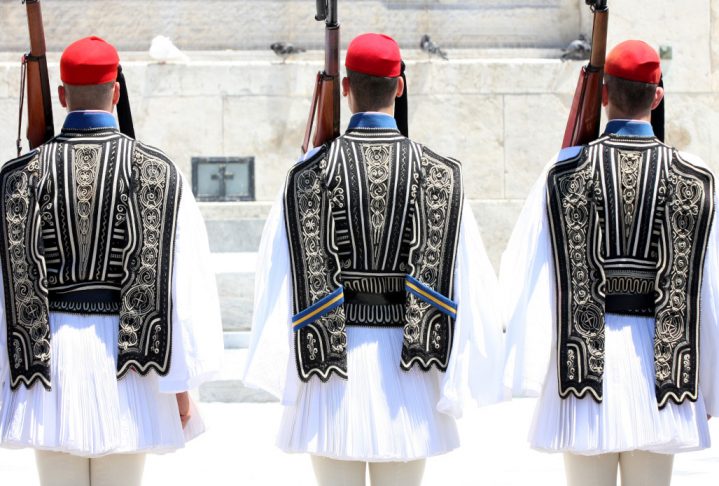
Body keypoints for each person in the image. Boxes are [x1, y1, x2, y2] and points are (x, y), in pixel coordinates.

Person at [244, 33, 504, 485]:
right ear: (399, 87)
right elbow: (470, 279)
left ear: (345, 87)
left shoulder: (306, 175)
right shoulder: (441, 175)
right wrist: (460, 378)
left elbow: (277, 275)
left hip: (329, 367)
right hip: (411, 365)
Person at [0, 36, 224, 485]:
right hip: (133, 366)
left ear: (62, 96)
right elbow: (183, 289)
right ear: (116, 92)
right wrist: (179, 386)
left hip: (46, 367)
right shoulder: (161, 172)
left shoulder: (17, 176)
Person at [502, 40, 719, 486]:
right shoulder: (696, 177)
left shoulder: (562, 171)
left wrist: (531, 365)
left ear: (602, 94)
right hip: (666, 370)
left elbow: (524, 269)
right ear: (657, 96)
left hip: (583, 366)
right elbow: (710, 287)